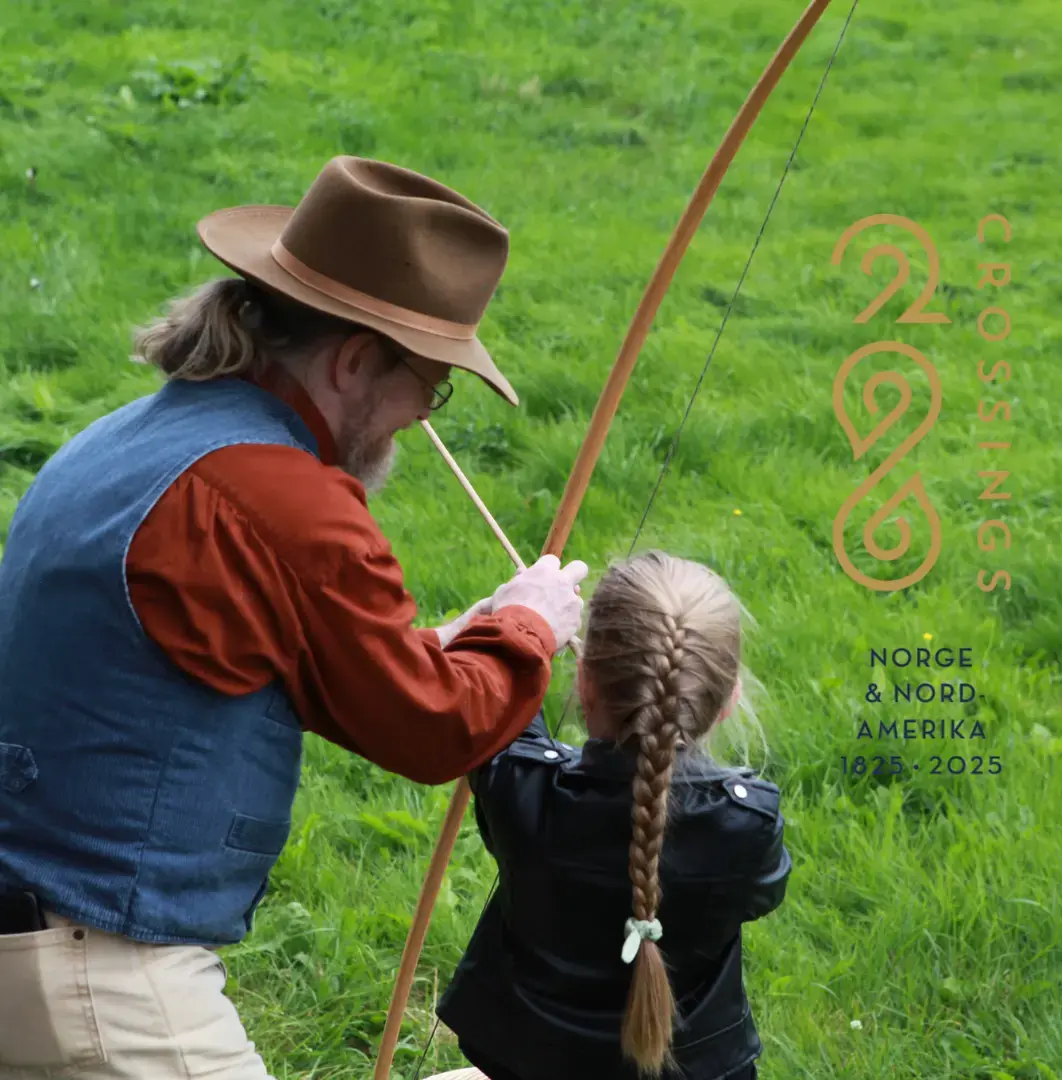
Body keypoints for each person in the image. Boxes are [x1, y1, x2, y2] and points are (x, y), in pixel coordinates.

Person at [0, 156, 587, 1078]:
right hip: (101, 971)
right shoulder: (279, 497)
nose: (411, 422)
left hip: (40, 944)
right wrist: (529, 627)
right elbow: (435, 727)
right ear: (355, 360)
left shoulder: (127, 440)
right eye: (427, 392)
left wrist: (458, 642)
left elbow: (290, 667)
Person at [431, 551, 792, 1080]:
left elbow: (492, 706)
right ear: (727, 700)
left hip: (529, 1063)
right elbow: (766, 890)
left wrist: (518, 627)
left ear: (583, 682)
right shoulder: (746, 823)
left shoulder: (522, 787)